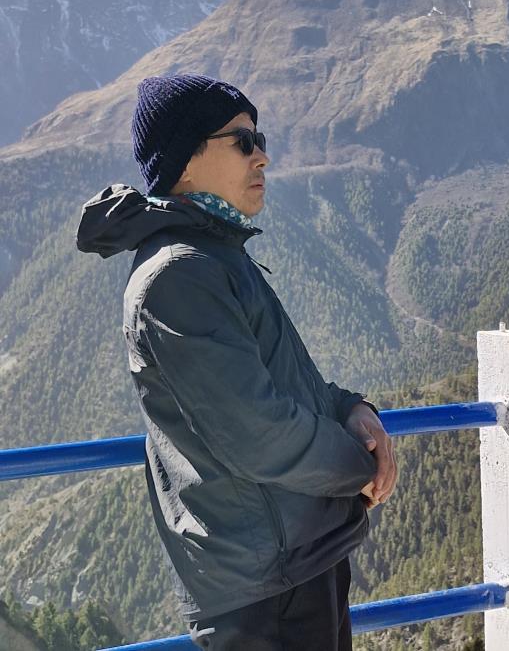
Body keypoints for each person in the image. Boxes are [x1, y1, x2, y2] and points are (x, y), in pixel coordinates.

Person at [76, 74, 397, 650]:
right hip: (265, 592)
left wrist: (352, 408)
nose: (263, 156)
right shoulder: (179, 276)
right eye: (243, 141)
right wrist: (360, 466)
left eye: (260, 139)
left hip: (288, 564)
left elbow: (284, 379)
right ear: (184, 160)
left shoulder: (214, 256)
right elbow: (257, 433)